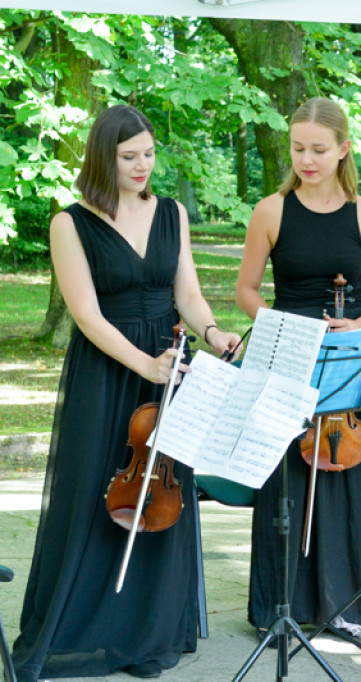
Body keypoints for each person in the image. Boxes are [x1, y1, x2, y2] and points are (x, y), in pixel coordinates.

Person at [11, 104, 242, 681]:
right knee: (94, 493)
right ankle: (80, 636)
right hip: (109, 367)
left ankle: (146, 637)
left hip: (171, 359)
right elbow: (85, 315)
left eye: (149, 154)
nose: (143, 166)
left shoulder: (171, 213)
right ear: (102, 158)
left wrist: (213, 333)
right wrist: (146, 364)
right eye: (129, 157)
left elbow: (186, 293)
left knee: (159, 499)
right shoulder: (70, 222)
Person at [235, 97, 361, 642]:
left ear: (343, 150)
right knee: (288, 484)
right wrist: (281, 325)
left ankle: (348, 603)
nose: (307, 160)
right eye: (298, 149)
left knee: (349, 483)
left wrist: (358, 325)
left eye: (318, 150)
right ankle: (281, 607)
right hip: (288, 356)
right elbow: (246, 290)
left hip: (347, 359)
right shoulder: (271, 211)